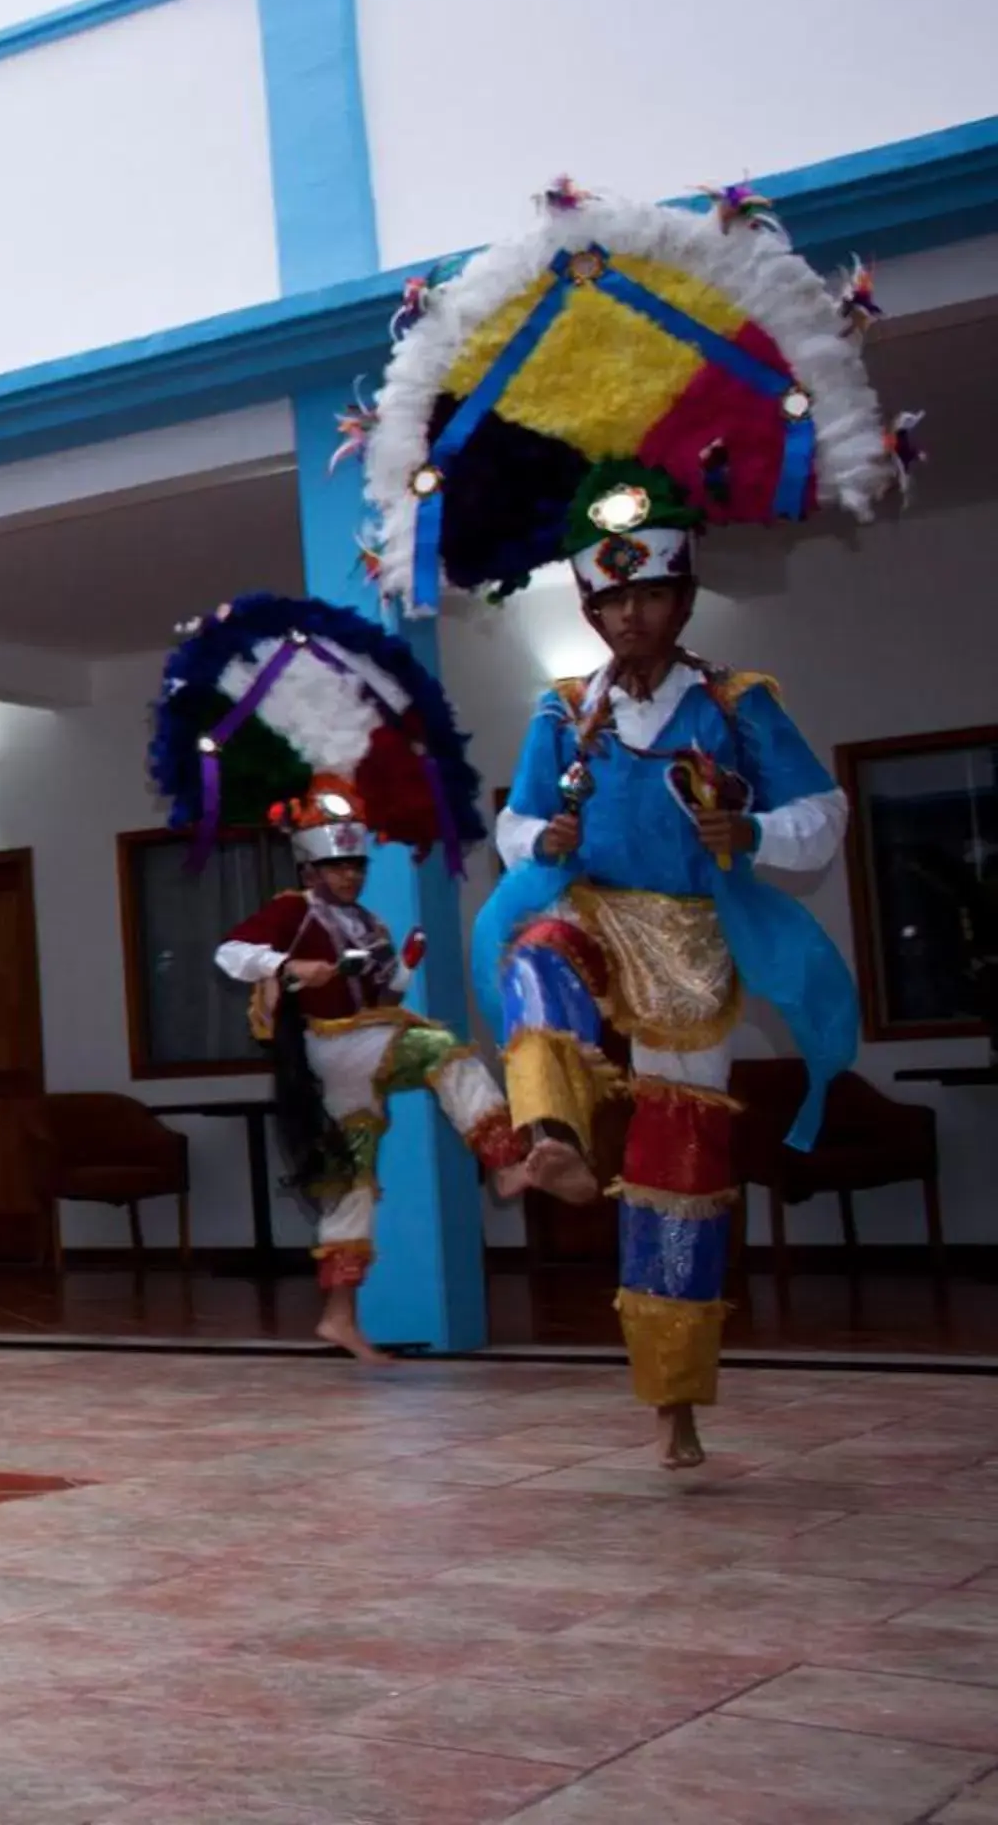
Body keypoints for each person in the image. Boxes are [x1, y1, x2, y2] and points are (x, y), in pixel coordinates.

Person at [352, 181, 912, 1467]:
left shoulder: (737, 705)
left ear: (679, 593)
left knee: (678, 1172)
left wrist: (749, 843)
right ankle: (547, 1138)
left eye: (647, 601)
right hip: (595, 918)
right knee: (533, 945)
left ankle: (674, 1397)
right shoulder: (568, 707)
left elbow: (817, 817)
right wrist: (539, 839)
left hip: (697, 956)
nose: (628, 624)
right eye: (609, 609)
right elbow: (522, 825)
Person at [215, 784, 515, 1362]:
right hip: (331, 1046)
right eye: (337, 866)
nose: (350, 876)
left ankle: (338, 1318)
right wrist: (289, 962)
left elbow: (380, 993)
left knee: (351, 1187)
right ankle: (504, 1161)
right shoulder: (292, 910)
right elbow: (229, 952)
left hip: (357, 1047)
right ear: (312, 868)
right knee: (440, 1049)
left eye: (355, 865)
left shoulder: (367, 923)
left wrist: (402, 965)